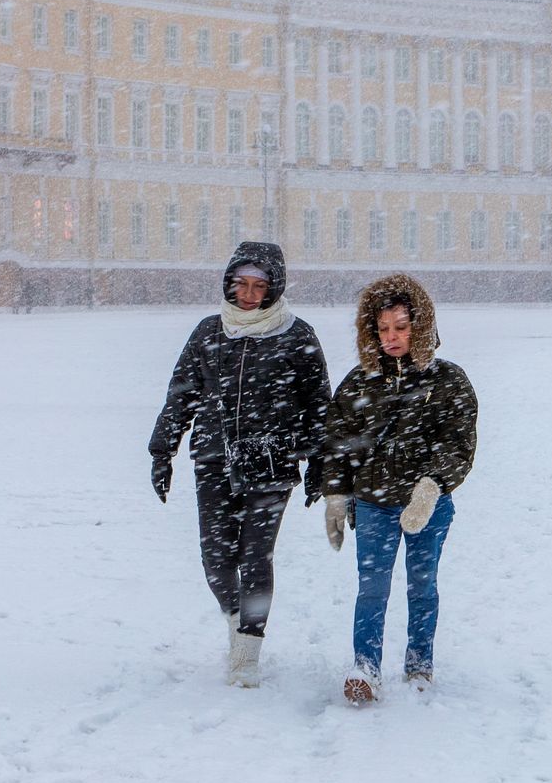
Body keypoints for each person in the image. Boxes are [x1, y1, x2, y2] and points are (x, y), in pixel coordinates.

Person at [149, 241, 331, 687]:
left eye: (258, 287)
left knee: (255, 555)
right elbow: (181, 395)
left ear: (274, 288)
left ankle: (248, 649)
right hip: (213, 458)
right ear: (229, 284)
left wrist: (319, 466)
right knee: (216, 558)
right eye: (241, 285)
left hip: (271, 462)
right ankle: (237, 619)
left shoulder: (296, 334)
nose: (249, 295)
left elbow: (319, 407)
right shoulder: (210, 332)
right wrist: (162, 450)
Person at [307, 273, 478, 704]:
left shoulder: (448, 381)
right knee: (373, 587)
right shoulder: (358, 383)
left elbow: (459, 442)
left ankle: (420, 661)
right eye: (383, 329)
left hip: (429, 506)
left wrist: (432, 485)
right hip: (374, 504)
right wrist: (335, 495)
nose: (392, 337)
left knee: (422, 586)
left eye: (401, 327)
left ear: (420, 327)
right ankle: (365, 666)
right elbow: (338, 444)